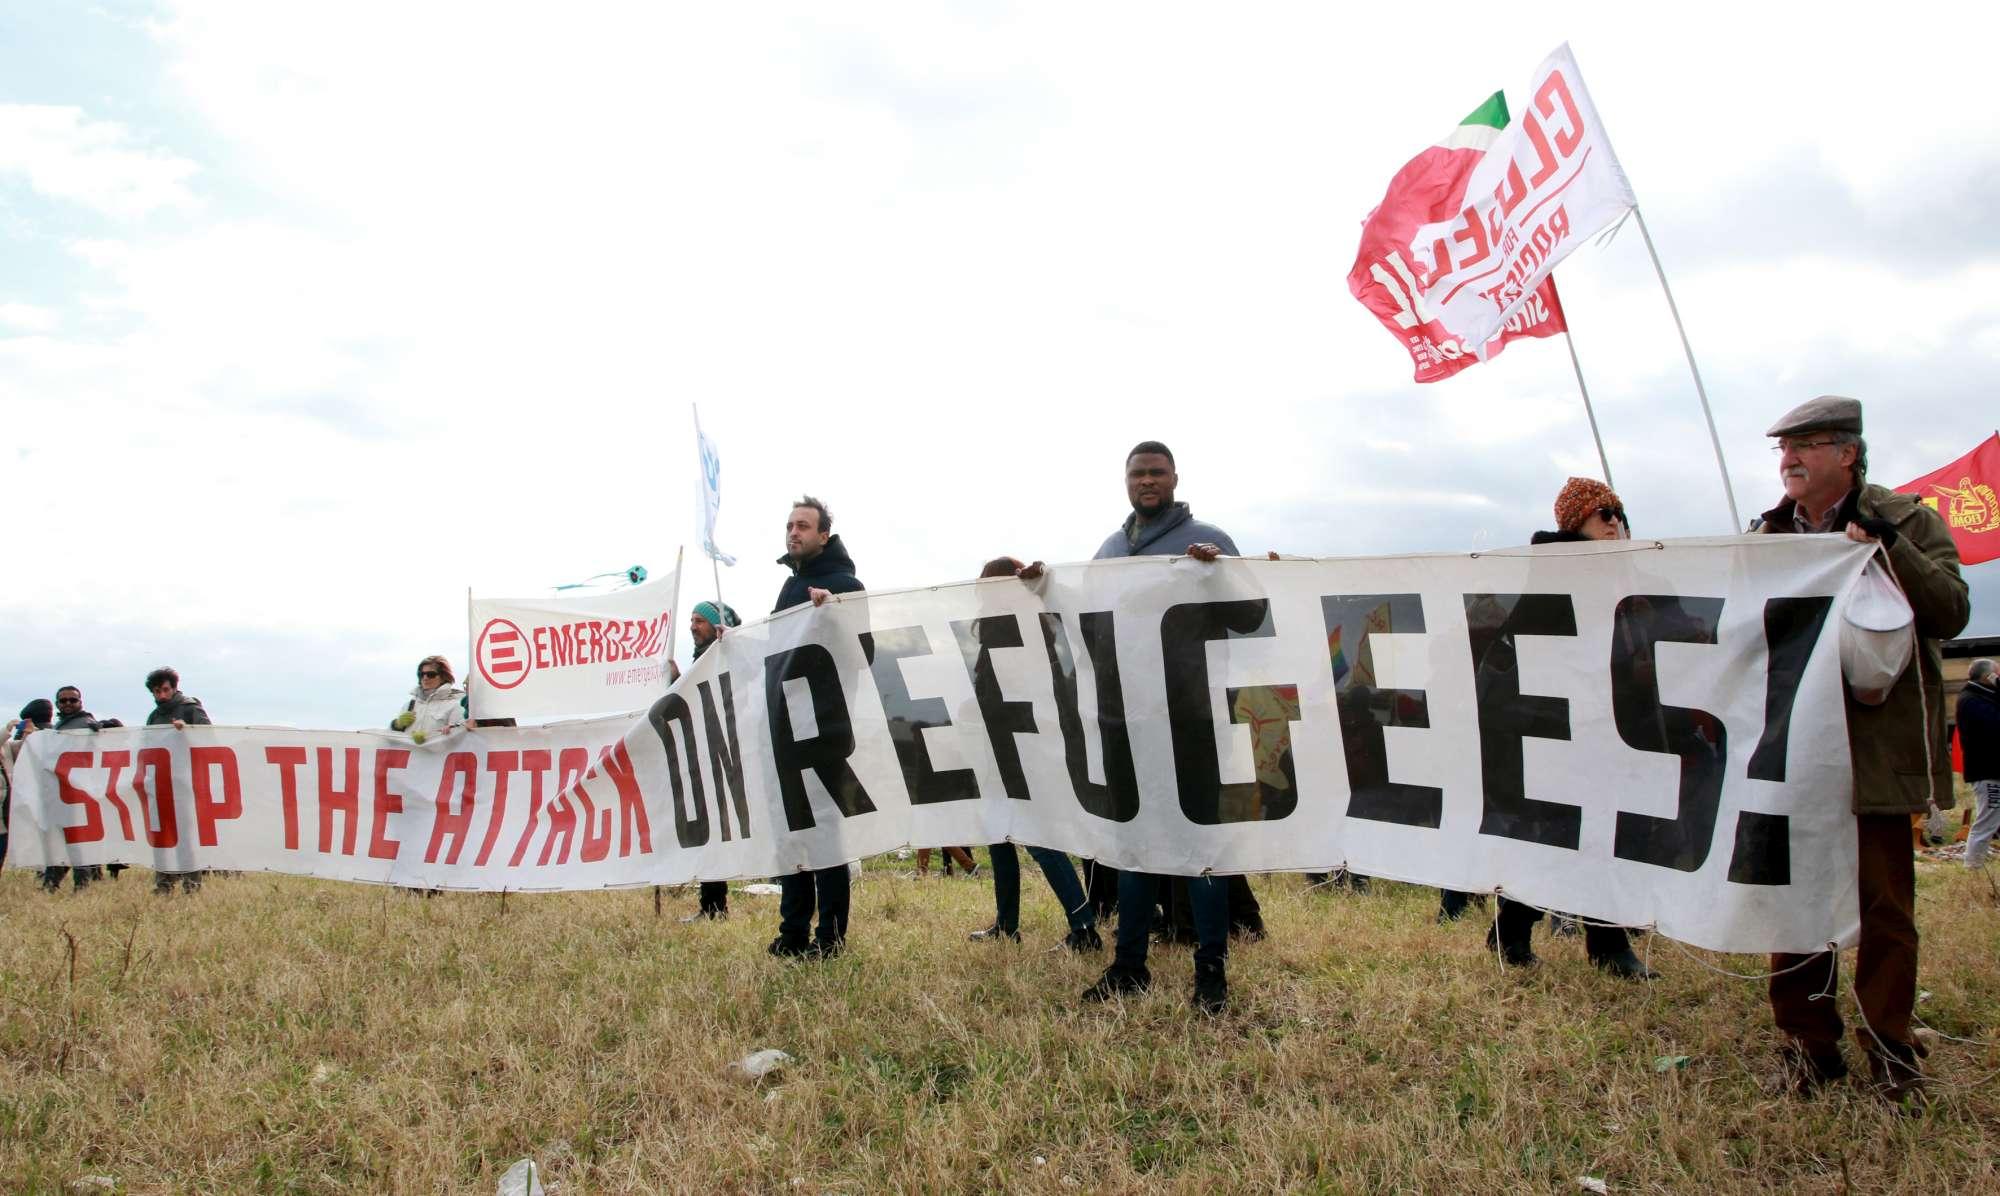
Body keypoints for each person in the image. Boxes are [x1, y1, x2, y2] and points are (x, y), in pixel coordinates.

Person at [1751, 396, 1968, 1103]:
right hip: (1799, 753)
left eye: (1806, 445)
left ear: (1847, 453)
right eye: (1784, 447)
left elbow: (1951, 611)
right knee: (1796, 904)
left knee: (1884, 909)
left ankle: (1891, 1050)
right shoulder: (1767, 534)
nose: (1788, 458)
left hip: (1876, 751)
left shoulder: (1908, 520)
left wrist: (1887, 545)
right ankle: (1809, 1045)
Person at [1060, 440, 1242, 1013]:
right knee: (1132, 843)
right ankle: (1128, 965)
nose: (1147, 481)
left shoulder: (1209, 540)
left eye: (1156, 472)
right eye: (1138, 473)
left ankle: (1210, 969)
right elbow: (1087, 623)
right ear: (1125, 480)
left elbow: (1254, 614)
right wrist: (1038, 584)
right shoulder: (1109, 550)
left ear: (1174, 478)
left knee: (1199, 842)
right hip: (1125, 718)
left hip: (1189, 717)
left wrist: (1218, 578)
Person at [1474, 479, 1659, 981]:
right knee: (1559, 836)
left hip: (1612, 725)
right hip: (1556, 729)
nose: (1615, 522)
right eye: (1603, 514)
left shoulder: (1629, 571)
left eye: (1620, 513)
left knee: (1606, 835)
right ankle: (1515, 931)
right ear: (1575, 522)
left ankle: (1602, 942)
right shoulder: (1552, 573)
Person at [962, 556, 1102, 952]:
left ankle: (1084, 928)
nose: (979, 591)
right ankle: (1007, 925)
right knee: (1000, 836)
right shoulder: (1009, 629)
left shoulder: (1014, 630)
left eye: (986, 584)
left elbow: (1025, 695)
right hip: (1006, 747)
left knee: (1041, 840)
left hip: (1025, 750)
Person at [767, 496, 866, 960]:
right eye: (789, 525)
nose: (793, 532)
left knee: (826, 836)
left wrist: (834, 614)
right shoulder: (788, 590)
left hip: (825, 733)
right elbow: (772, 658)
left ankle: (830, 937)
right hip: (787, 731)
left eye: (803, 525)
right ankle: (792, 933)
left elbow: (866, 654)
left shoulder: (847, 585)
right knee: (793, 835)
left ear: (824, 535)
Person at [685, 600, 740, 921]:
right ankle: (711, 905)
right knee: (708, 831)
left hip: (726, 753)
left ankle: (716, 906)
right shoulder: (698, 660)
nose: (693, 627)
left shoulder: (726, 653)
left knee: (718, 830)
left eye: (700, 621)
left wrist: (731, 640)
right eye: (691, 621)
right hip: (702, 755)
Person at [145, 667, 213, 894]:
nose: (162, 695)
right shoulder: (154, 716)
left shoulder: (190, 708)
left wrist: (188, 730)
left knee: (185, 837)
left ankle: (192, 884)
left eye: (165, 690)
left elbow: (209, 738)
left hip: (185, 784)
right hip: (160, 783)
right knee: (161, 835)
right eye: (157, 691)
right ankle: (163, 883)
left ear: (174, 688)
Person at [42, 687, 106, 892]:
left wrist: (105, 726)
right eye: (63, 701)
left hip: (79, 794)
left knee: (77, 842)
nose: (68, 704)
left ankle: (81, 884)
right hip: (61, 794)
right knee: (60, 842)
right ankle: (51, 883)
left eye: (72, 700)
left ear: (80, 702)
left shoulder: (86, 722)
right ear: (58, 704)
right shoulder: (59, 726)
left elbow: (104, 737)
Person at [1958, 658, 1999, 867]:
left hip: (1991, 769)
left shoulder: (1984, 696)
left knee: (1991, 820)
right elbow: (1994, 727)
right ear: (1987, 676)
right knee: (1987, 822)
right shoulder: (1971, 700)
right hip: (1986, 770)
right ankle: (1973, 866)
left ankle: (1976, 863)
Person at [391, 656, 467, 743]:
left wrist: (429, 738)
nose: (425, 678)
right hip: (412, 756)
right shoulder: (410, 705)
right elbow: (390, 741)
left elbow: (460, 737)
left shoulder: (456, 704)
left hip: (438, 756)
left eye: (431, 674)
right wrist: (396, 725)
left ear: (443, 677)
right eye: (421, 674)